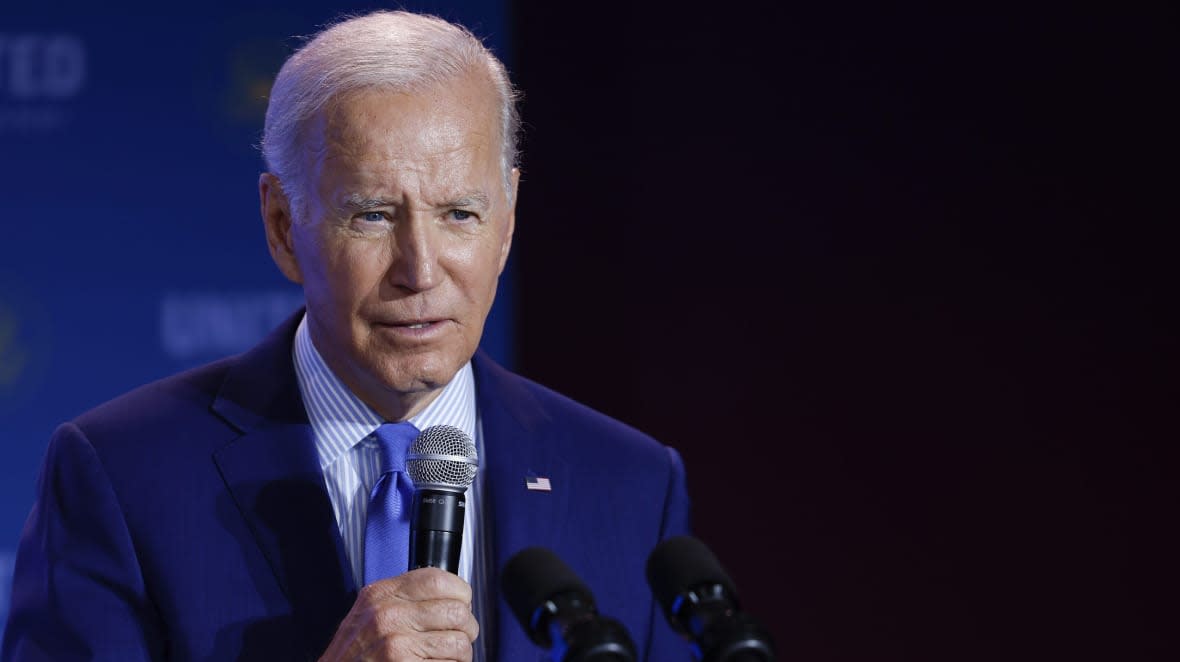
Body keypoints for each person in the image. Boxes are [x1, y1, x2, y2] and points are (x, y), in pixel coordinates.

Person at [1, 10, 692, 662]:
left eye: (459, 213)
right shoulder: (123, 476)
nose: (420, 270)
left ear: (506, 220)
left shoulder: (629, 484)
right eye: (371, 215)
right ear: (282, 226)